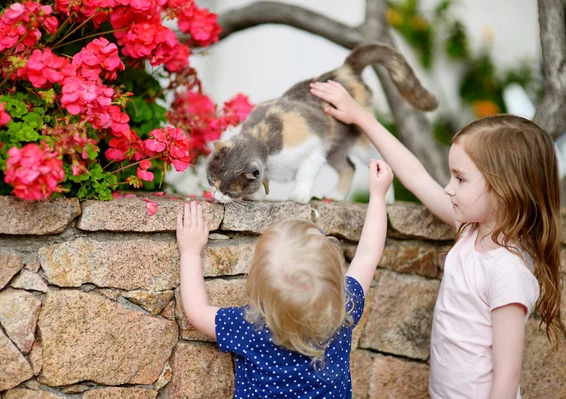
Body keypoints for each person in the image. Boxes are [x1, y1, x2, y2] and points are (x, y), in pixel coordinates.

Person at [310, 80, 565, 399]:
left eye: (460, 178)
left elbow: (508, 375)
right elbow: (415, 175)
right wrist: (362, 117)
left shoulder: (507, 272)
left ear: (505, 190)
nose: (449, 188)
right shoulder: (471, 229)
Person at [176, 158, 393, 398]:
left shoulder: (250, 327)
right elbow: (367, 255)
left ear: (258, 286)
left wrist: (190, 251)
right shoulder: (344, 309)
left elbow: (196, 310)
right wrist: (378, 196)